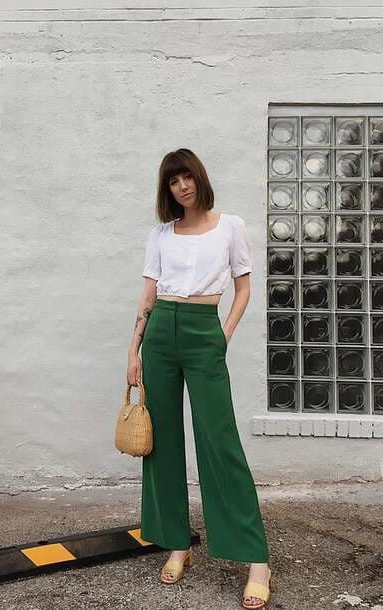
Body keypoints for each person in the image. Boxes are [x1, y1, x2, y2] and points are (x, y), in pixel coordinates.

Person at [126, 149, 273, 609]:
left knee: (219, 439)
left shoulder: (230, 226)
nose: (182, 186)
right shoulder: (160, 235)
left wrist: (222, 335)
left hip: (204, 328)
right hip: (161, 333)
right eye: (173, 181)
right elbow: (148, 294)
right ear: (167, 190)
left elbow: (244, 287)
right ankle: (176, 544)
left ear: (200, 179)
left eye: (187, 177)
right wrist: (133, 350)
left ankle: (256, 558)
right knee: (163, 442)